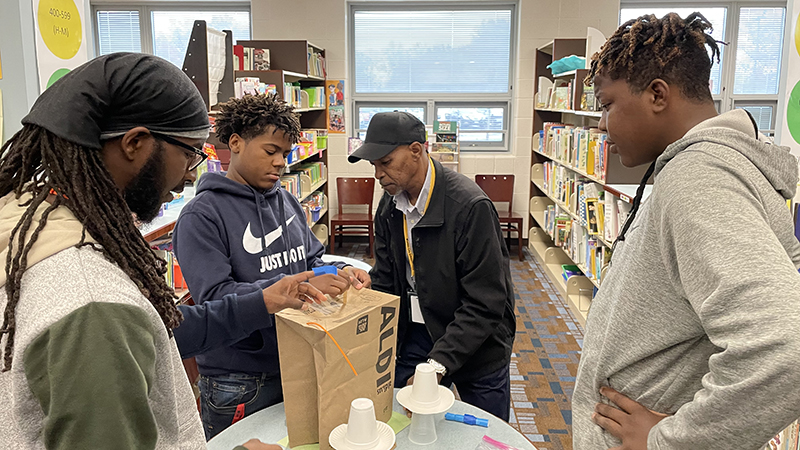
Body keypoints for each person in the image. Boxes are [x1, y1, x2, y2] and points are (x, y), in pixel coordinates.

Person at [0, 53, 315, 450]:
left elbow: (165, 331)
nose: (190, 173)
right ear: (135, 143)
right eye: (188, 153)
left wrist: (263, 300)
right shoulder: (92, 301)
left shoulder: (43, 232)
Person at [573, 13, 800, 450]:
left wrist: (668, 440)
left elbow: (785, 348)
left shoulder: (698, 176)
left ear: (657, 94)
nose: (600, 126)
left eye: (606, 105)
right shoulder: (706, 168)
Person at [172, 93, 371, 439]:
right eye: (270, 151)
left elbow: (310, 263)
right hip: (240, 380)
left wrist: (337, 272)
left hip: (298, 359)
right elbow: (214, 300)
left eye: (285, 153)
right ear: (235, 143)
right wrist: (295, 286)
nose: (280, 162)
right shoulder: (201, 216)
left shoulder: (287, 199)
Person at [348, 111, 516, 421]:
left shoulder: (469, 208)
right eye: (374, 166)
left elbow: (486, 303)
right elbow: (388, 277)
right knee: (399, 416)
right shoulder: (390, 205)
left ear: (416, 150)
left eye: (385, 163)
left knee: (485, 433)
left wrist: (437, 365)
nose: (378, 175)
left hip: (478, 341)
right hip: (418, 331)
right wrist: (365, 289)